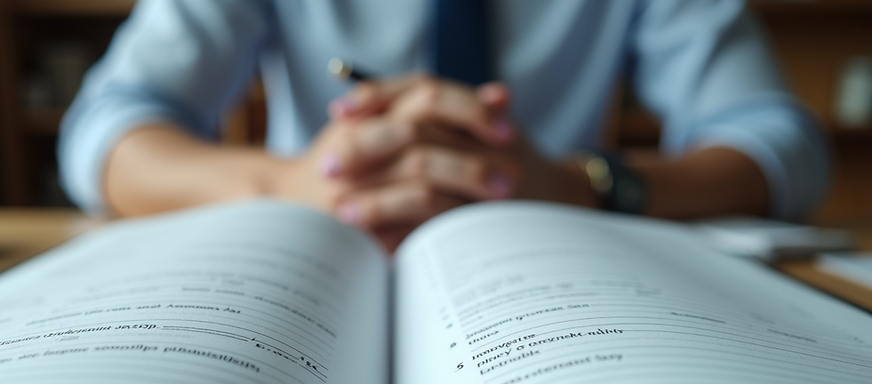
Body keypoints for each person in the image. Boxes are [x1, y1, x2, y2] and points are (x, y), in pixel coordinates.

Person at [59, 0, 830, 251]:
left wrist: (581, 185)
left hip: (560, 259)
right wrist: (289, 183)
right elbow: (108, 127)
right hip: (321, 250)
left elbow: (780, 142)